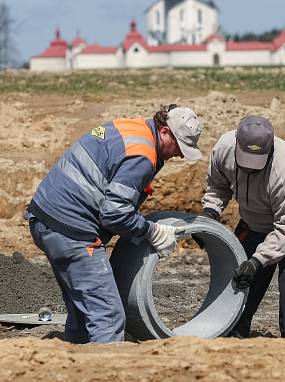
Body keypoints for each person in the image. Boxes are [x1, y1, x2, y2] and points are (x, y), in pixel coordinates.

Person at [25, 104, 203, 343]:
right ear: (164, 132)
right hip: (72, 231)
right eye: (179, 146)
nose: (180, 155)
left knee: (84, 312)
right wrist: (153, 231)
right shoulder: (142, 155)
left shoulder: (131, 127)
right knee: (108, 316)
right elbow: (114, 215)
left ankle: (74, 362)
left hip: (45, 218)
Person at [202, 115, 285, 338]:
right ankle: (233, 339)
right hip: (254, 223)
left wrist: (257, 261)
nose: (250, 169)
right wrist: (210, 213)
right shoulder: (223, 147)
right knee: (239, 285)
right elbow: (218, 185)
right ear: (236, 144)